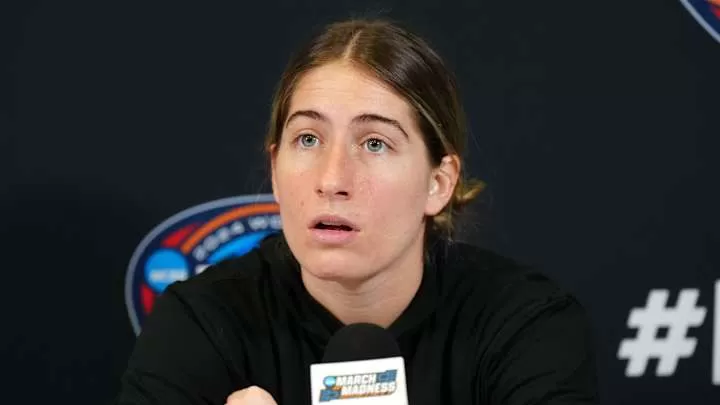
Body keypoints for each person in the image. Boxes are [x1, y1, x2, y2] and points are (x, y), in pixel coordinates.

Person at [115, 18, 598, 405]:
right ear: (275, 168)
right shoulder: (202, 322)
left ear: (438, 183)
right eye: (308, 138)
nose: (332, 179)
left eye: (374, 143)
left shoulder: (525, 325)